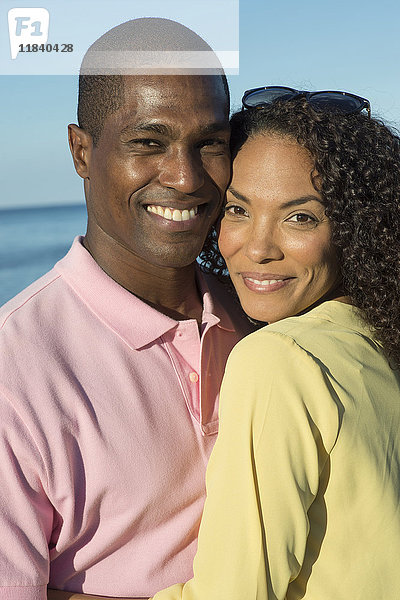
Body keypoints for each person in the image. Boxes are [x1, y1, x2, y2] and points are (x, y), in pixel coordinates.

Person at [0, 18, 253, 600]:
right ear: (81, 151)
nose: (187, 177)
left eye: (210, 143)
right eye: (148, 142)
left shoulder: (259, 313)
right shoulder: (18, 372)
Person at [148, 89, 400, 599]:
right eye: (238, 210)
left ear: (355, 227)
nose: (257, 247)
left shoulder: (280, 360)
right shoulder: (376, 340)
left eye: (300, 217)